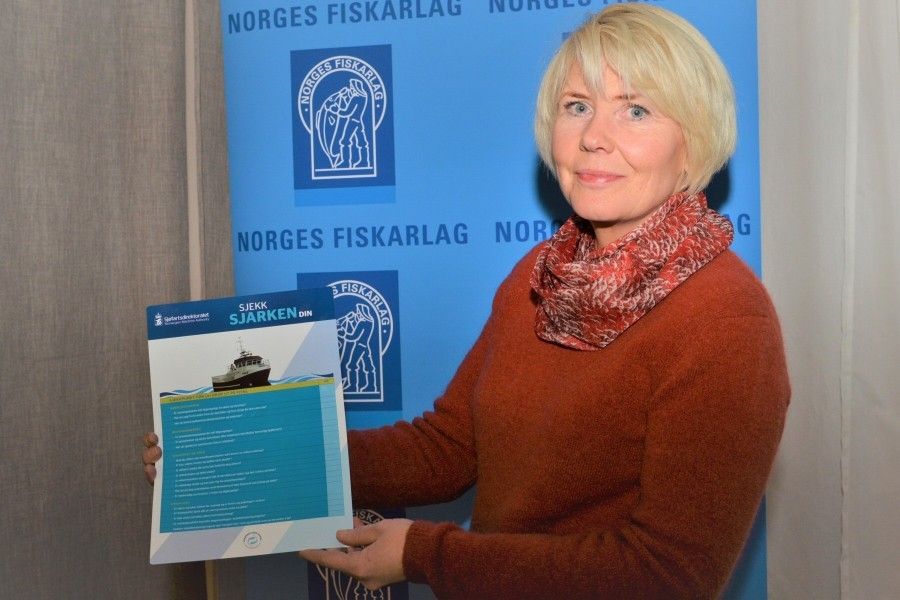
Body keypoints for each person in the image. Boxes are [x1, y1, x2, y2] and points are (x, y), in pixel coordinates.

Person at [144, 5, 789, 598]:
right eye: (576, 105)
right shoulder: (542, 274)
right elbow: (449, 448)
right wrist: (250, 454)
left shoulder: (724, 320)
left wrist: (426, 554)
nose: (594, 136)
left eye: (636, 110)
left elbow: (667, 576)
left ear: (694, 143)